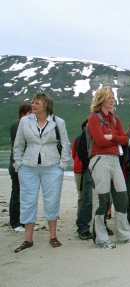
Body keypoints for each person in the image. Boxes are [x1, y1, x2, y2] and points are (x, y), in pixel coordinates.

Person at [13, 93, 72, 252]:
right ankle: (28, 239)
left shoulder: (58, 122)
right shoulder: (25, 121)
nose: (33, 105)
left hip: (52, 167)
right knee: (27, 201)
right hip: (28, 166)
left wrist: (62, 166)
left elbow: (66, 145)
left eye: (37, 103)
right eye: (33, 102)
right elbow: (18, 144)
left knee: (52, 200)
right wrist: (19, 164)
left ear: (46, 105)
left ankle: (53, 237)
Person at [87, 86, 130, 249]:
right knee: (101, 199)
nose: (112, 100)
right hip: (100, 160)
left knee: (122, 197)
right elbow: (100, 142)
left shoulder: (115, 119)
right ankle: (101, 238)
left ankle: (123, 235)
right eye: (109, 97)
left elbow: (124, 139)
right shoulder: (94, 118)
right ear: (101, 99)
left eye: (113, 97)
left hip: (115, 160)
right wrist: (114, 139)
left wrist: (111, 136)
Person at [9, 102, 32, 232]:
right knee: (17, 193)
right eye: (29, 113)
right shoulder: (17, 126)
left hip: (27, 164)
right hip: (17, 164)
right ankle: (15, 222)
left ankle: (24, 221)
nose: (32, 115)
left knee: (26, 194)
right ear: (22, 114)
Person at [72, 120, 87, 215]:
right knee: (81, 195)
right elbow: (74, 154)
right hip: (80, 170)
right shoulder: (77, 139)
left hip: (91, 169)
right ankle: (80, 215)